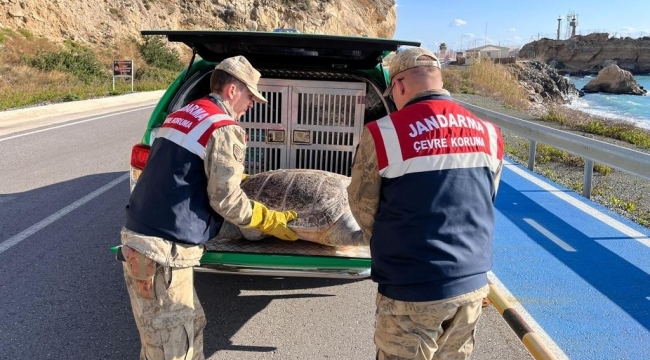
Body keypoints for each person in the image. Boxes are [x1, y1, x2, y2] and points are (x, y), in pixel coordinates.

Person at [119, 55, 299, 360]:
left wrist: (238, 175)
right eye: (250, 96)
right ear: (232, 91)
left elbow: (185, 169)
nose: (252, 104)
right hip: (164, 253)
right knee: (173, 350)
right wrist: (269, 220)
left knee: (185, 330)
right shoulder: (224, 127)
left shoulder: (182, 115)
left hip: (142, 241)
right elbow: (226, 201)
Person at [347, 47, 504, 360]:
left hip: (412, 289)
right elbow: (488, 196)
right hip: (471, 286)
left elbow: (363, 207)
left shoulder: (383, 134)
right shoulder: (489, 133)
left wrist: (387, 241)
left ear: (401, 85)